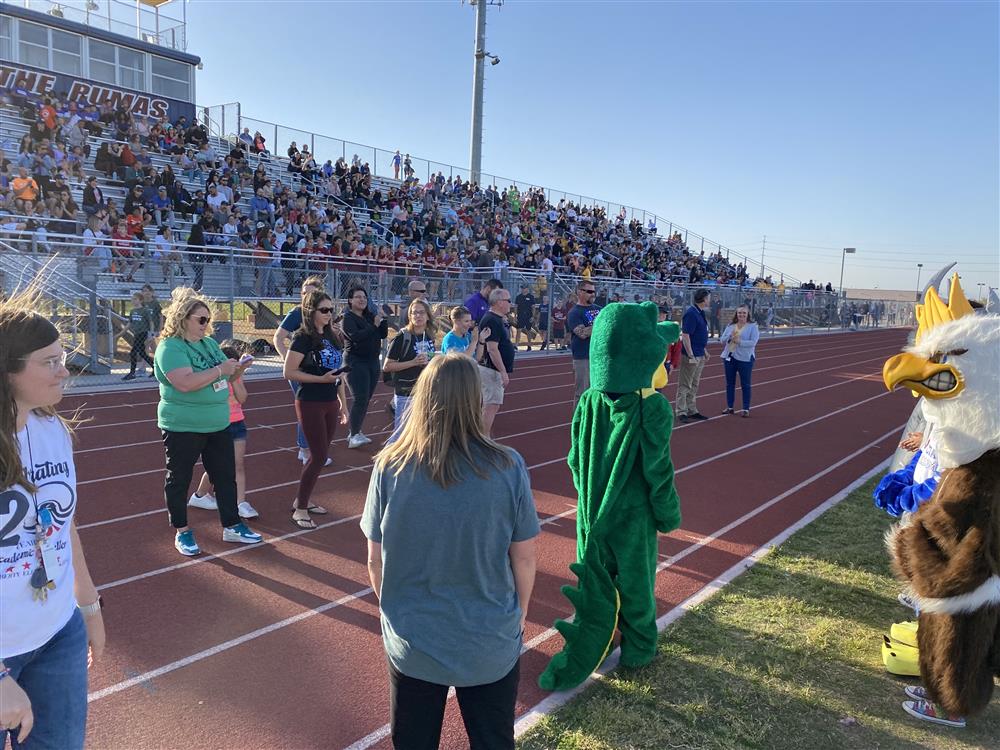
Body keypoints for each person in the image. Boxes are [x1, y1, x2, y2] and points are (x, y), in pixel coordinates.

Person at [361, 354, 539, 750]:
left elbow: (376, 560)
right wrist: (519, 613)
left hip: (414, 639)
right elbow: (523, 557)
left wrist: (397, 611)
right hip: (488, 638)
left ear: (423, 397)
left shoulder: (389, 466)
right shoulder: (508, 467)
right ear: (476, 400)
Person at [0, 285, 106, 750]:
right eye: (49, 361)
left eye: (63, 356)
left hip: (57, 633)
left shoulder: (51, 430)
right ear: (8, 373)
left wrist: (87, 604)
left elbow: (62, 524)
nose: (65, 370)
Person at [154, 288, 263, 555]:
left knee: (225, 477)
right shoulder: (170, 347)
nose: (206, 324)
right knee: (179, 479)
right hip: (183, 425)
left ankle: (232, 525)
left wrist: (238, 369)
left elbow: (224, 375)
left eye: (208, 319)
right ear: (183, 318)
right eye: (201, 319)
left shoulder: (210, 344)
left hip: (218, 423)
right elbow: (185, 383)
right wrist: (220, 370)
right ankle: (182, 531)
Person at [283, 291, 349, 529]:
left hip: (330, 400)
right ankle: (300, 508)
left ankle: (303, 500)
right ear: (311, 311)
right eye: (324, 310)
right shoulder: (302, 338)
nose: (329, 314)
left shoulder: (333, 336)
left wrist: (343, 403)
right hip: (310, 401)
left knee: (319, 456)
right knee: (319, 456)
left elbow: (338, 374)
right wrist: (320, 380)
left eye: (331, 310)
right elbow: (288, 372)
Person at [189, 341, 259, 520]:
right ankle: (200, 495)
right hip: (219, 424)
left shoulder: (237, 376)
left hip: (237, 424)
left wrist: (236, 377)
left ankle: (240, 502)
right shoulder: (213, 377)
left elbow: (242, 398)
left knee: (237, 464)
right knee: (219, 466)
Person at [273, 277, 328, 465]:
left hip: (319, 369)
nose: (305, 296)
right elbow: (278, 338)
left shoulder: (322, 313)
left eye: (310, 293)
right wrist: (287, 360)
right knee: (308, 408)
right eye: (303, 292)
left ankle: (306, 448)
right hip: (300, 371)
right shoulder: (297, 313)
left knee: (317, 408)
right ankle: (306, 450)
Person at [342, 285, 389, 449]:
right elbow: (356, 337)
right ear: (350, 300)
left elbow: (382, 334)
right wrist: (374, 326)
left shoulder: (370, 316)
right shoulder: (347, 318)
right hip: (355, 362)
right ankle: (354, 435)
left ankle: (355, 431)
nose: (362, 300)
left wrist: (383, 319)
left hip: (373, 361)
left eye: (364, 297)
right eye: (357, 297)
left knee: (366, 398)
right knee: (360, 398)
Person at [382, 299, 436, 443]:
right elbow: (387, 366)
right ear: (410, 316)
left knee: (422, 431)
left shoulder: (429, 336)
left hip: (424, 391)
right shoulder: (403, 336)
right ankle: (388, 462)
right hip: (406, 392)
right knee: (401, 434)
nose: (418, 316)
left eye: (421, 312)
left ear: (428, 315)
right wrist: (413, 362)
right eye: (414, 313)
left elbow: (430, 360)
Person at [478, 288, 516, 436]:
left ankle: (483, 437)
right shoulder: (491, 320)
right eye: (508, 301)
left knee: (492, 405)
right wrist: (503, 372)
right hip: (491, 370)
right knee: (491, 406)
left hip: (493, 370)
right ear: (499, 302)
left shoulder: (498, 319)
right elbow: (492, 349)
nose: (510, 304)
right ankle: (483, 438)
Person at [676, 289, 712, 423]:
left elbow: (699, 334)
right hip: (692, 355)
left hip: (699, 353)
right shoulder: (691, 313)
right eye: (708, 298)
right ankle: (681, 411)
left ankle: (691, 409)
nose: (710, 300)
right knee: (685, 384)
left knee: (695, 384)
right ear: (703, 299)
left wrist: (704, 351)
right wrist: (691, 354)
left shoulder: (700, 312)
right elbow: (686, 335)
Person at [719, 305, 760, 417]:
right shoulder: (731, 326)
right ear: (736, 314)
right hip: (729, 357)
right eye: (739, 313)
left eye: (744, 313)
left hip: (745, 359)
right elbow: (722, 339)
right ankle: (730, 407)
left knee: (745, 384)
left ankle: (745, 408)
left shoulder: (753, 326)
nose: (741, 315)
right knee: (729, 384)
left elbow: (753, 342)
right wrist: (730, 337)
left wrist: (739, 342)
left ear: (748, 315)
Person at [566, 281, 601, 406]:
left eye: (594, 292)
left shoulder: (598, 309)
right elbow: (582, 333)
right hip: (583, 358)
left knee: (599, 392)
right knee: (582, 393)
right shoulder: (574, 313)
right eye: (590, 292)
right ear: (580, 292)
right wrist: (602, 324)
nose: (593, 294)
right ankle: (579, 423)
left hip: (599, 358)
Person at [122, 292, 156, 381]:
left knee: (133, 352)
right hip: (136, 334)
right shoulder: (132, 311)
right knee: (142, 353)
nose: (133, 301)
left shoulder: (145, 310)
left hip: (143, 333)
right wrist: (121, 333)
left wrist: (151, 334)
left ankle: (132, 373)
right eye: (132, 299)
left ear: (140, 300)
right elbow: (129, 323)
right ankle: (155, 368)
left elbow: (151, 322)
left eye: (135, 299)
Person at [514, 285, 537, 351]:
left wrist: (533, 316)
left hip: (528, 315)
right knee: (519, 330)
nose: (523, 289)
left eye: (524, 288)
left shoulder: (531, 297)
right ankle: (516, 345)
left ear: (527, 289)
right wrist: (515, 316)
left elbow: (533, 307)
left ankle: (529, 345)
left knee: (528, 331)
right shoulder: (518, 297)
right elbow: (516, 306)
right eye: (522, 288)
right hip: (520, 315)